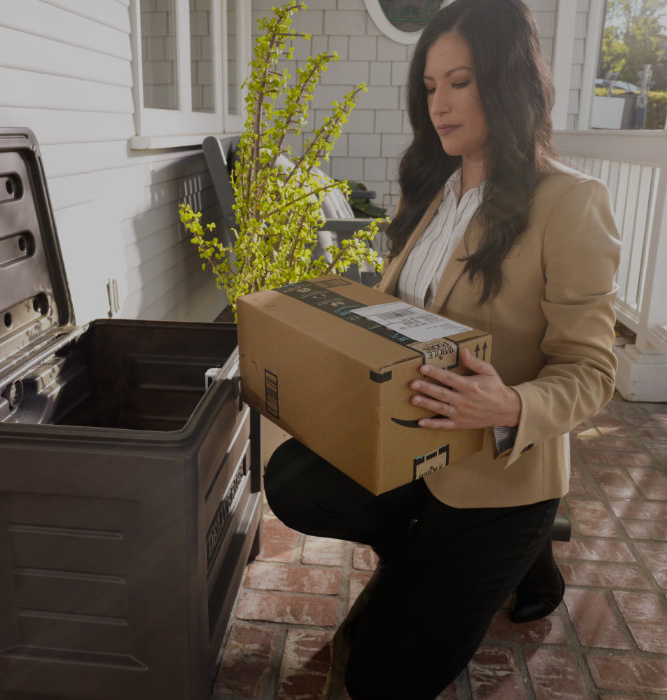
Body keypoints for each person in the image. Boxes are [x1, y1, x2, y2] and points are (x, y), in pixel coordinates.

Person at [264, 0, 621, 697]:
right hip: (415, 449)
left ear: (506, 79)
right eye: (430, 87)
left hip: (497, 476)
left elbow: (593, 369)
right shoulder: (438, 186)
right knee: (292, 481)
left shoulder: (570, 203)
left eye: (460, 81)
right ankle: (462, 562)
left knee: (379, 679)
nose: (441, 105)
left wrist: (511, 403)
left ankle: (512, 552)